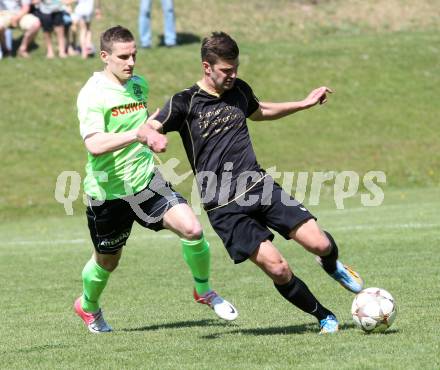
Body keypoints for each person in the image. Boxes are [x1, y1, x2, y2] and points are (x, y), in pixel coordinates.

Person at [138, 31, 365, 334]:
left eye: (235, 68)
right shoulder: (184, 102)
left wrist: (303, 103)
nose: (233, 75)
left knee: (320, 243)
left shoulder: (239, 90)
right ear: (207, 67)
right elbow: (148, 126)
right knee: (279, 268)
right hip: (224, 208)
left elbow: (261, 111)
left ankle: (331, 264)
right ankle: (324, 316)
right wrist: (152, 136)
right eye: (225, 70)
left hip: (259, 186)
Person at [74, 26, 237, 334]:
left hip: (147, 181)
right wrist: (137, 134)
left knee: (192, 228)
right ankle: (87, 306)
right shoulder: (92, 94)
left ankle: (203, 290)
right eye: (123, 56)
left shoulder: (138, 86)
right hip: (107, 193)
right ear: (104, 57)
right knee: (107, 262)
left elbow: (146, 124)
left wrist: (155, 133)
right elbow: (94, 144)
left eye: (134, 54)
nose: (131, 61)